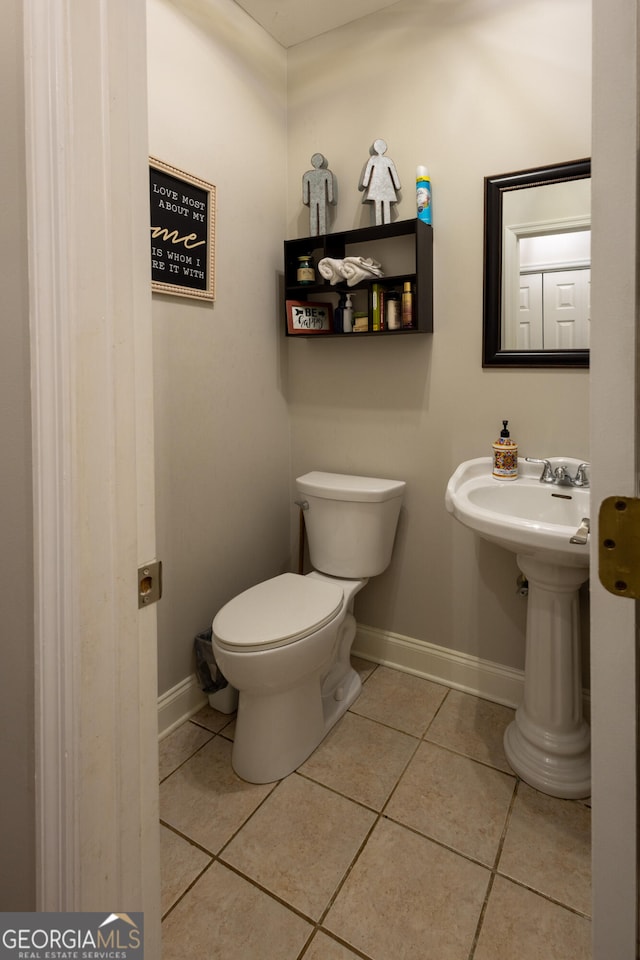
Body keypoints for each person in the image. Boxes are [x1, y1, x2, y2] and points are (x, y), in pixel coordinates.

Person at [359, 139, 401, 224]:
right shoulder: (386, 160)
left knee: (379, 204)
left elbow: (367, 174)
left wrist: (364, 184)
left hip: (379, 188)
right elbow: (394, 175)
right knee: (380, 204)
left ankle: (382, 224)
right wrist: (397, 185)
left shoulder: (374, 160)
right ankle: (382, 224)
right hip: (381, 187)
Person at [302, 153, 336, 236]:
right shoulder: (325, 173)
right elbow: (306, 190)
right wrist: (331, 198)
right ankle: (318, 233)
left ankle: (318, 233)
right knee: (318, 215)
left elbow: (305, 197)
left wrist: (306, 200)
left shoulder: (309, 175)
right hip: (319, 198)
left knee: (318, 215)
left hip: (317, 198)